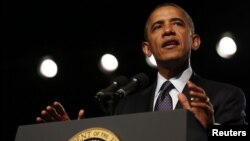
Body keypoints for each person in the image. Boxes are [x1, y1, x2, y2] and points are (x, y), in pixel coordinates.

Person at [36, 3, 247, 128]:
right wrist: (74, 136)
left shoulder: (226, 95)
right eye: (158, 27)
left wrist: (211, 130)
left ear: (195, 41)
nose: (167, 31)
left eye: (177, 23)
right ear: (147, 49)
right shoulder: (126, 106)